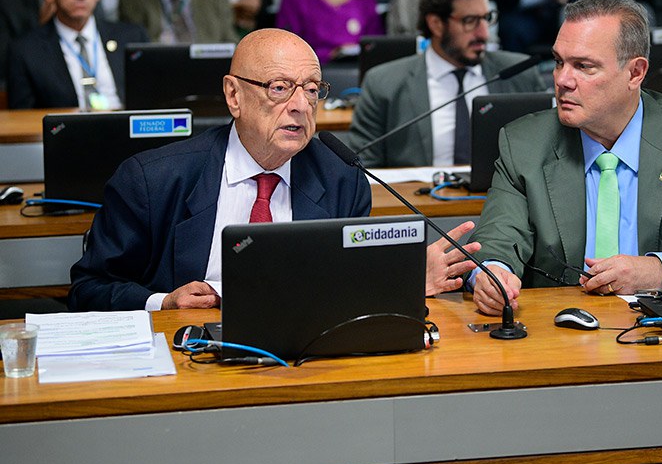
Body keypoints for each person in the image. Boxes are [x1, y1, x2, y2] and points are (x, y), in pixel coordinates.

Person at [68, 28, 479, 311]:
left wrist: (401, 279)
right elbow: (89, 289)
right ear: (234, 95)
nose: (300, 105)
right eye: (280, 88)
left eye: (312, 90)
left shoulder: (342, 177)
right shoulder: (152, 180)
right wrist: (163, 302)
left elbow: (342, 286)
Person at [467, 0, 662, 316]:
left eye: (584, 66)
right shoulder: (524, 143)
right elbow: (496, 240)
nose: (562, 80)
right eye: (559, 62)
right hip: (559, 334)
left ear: (635, 72)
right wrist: (491, 274)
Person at [348, 0, 545, 168]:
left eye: (487, 18)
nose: (484, 33)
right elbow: (363, 166)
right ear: (436, 24)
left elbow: (546, 154)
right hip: (417, 198)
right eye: (470, 21)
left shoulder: (520, 73)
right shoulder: (384, 84)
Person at [6, 0, 147, 110]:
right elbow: (21, 119)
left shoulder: (132, 36)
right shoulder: (25, 50)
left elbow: (153, 99)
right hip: (66, 133)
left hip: (127, 130)